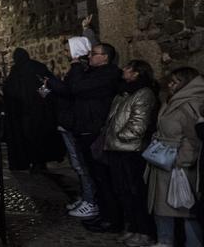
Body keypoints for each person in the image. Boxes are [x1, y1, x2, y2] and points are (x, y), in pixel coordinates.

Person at [50, 43, 122, 233]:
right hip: (84, 128)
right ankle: (104, 214)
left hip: (94, 130)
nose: (90, 57)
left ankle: (112, 219)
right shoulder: (92, 72)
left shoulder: (108, 74)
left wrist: (75, 65)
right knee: (94, 176)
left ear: (105, 57)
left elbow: (76, 88)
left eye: (94, 54)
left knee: (103, 178)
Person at [103, 60, 158, 246]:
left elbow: (138, 123)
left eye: (127, 69)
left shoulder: (144, 93)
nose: (123, 71)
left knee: (136, 192)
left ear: (136, 73)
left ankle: (144, 231)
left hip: (130, 150)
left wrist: (120, 136)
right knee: (124, 192)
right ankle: (133, 227)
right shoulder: (124, 92)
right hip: (116, 148)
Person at [147, 67, 204, 247]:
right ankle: (165, 241)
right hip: (163, 158)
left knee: (184, 205)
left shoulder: (192, 104)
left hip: (177, 163)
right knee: (163, 206)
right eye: (170, 81)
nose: (171, 85)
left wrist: (181, 161)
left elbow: (194, 138)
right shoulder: (171, 101)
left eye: (175, 82)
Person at [50, 35, 99, 218]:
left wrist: (53, 84)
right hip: (69, 121)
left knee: (82, 165)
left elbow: (71, 92)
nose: (64, 52)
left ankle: (91, 200)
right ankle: (87, 197)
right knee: (78, 164)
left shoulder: (80, 70)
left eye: (68, 49)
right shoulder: (77, 69)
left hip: (75, 122)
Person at [3, 47, 65, 171]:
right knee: (38, 136)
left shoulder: (16, 71)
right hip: (37, 110)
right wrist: (41, 98)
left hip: (25, 111)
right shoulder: (37, 67)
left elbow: (10, 91)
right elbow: (47, 86)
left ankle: (33, 161)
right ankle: (39, 162)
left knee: (30, 137)